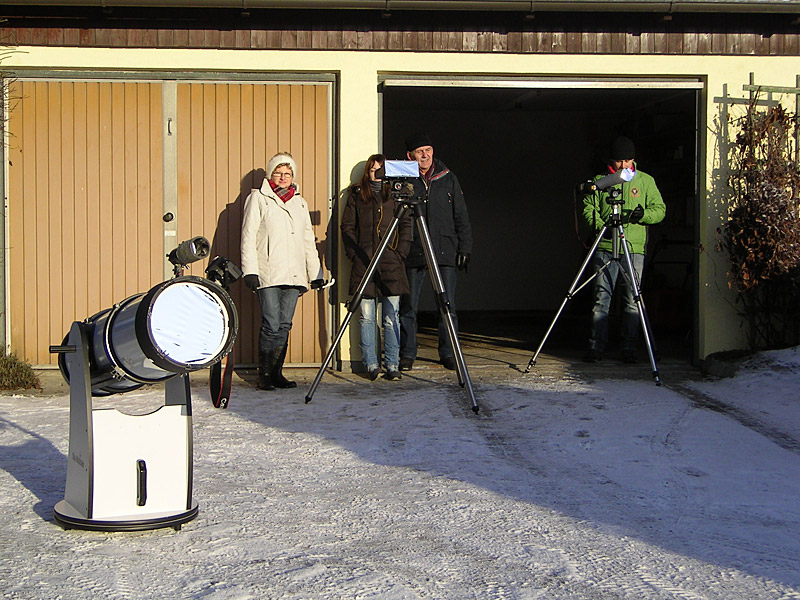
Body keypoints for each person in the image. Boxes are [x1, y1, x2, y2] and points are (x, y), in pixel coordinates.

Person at [241, 152, 323, 390]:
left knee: (285, 324)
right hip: (268, 271)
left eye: (288, 174)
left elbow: (308, 239)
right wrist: (250, 270)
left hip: (294, 272)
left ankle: (277, 373)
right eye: (279, 173)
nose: (283, 177)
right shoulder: (258, 199)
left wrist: (315, 273)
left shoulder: (300, 202)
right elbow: (248, 236)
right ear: (271, 175)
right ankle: (264, 375)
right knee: (271, 323)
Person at [582, 135, 666, 363]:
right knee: (602, 298)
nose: (624, 166)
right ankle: (596, 346)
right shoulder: (601, 182)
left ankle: (629, 348)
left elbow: (660, 210)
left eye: (628, 161)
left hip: (633, 247)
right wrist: (602, 228)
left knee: (632, 300)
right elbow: (589, 209)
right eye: (620, 161)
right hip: (606, 246)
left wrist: (643, 215)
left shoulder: (645, 181)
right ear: (612, 161)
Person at [398, 133, 472, 372]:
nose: (425, 155)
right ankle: (407, 353)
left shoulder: (448, 178)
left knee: (447, 305)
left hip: (444, 250)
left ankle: (449, 352)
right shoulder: (404, 178)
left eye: (428, 150)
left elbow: (461, 215)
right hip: (415, 251)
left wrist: (465, 247)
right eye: (420, 151)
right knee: (409, 307)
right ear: (410, 156)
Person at [341, 154, 413, 381]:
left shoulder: (395, 194)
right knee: (366, 316)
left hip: (391, 263)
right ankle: (370, 364)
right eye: (373, 170)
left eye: (381, 170)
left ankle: (392, 364)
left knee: (392, 317)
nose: (377, 174)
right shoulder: (357, 195)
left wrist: (400, 253)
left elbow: (406, 224)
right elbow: (347, 226)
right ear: (367, 172)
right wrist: (354, 254)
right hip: (364, 262)